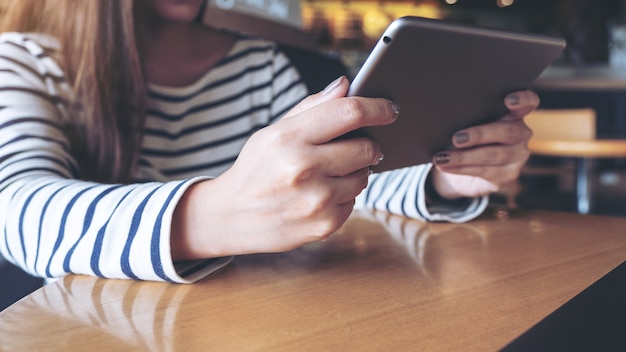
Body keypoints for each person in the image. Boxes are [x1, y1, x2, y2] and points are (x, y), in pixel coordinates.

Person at [0, 0, 536, 283]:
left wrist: (442, 175)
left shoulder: (257, 63)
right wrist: (211, 213)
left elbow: (335, 185)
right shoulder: (23, 60)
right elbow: (16, 212)